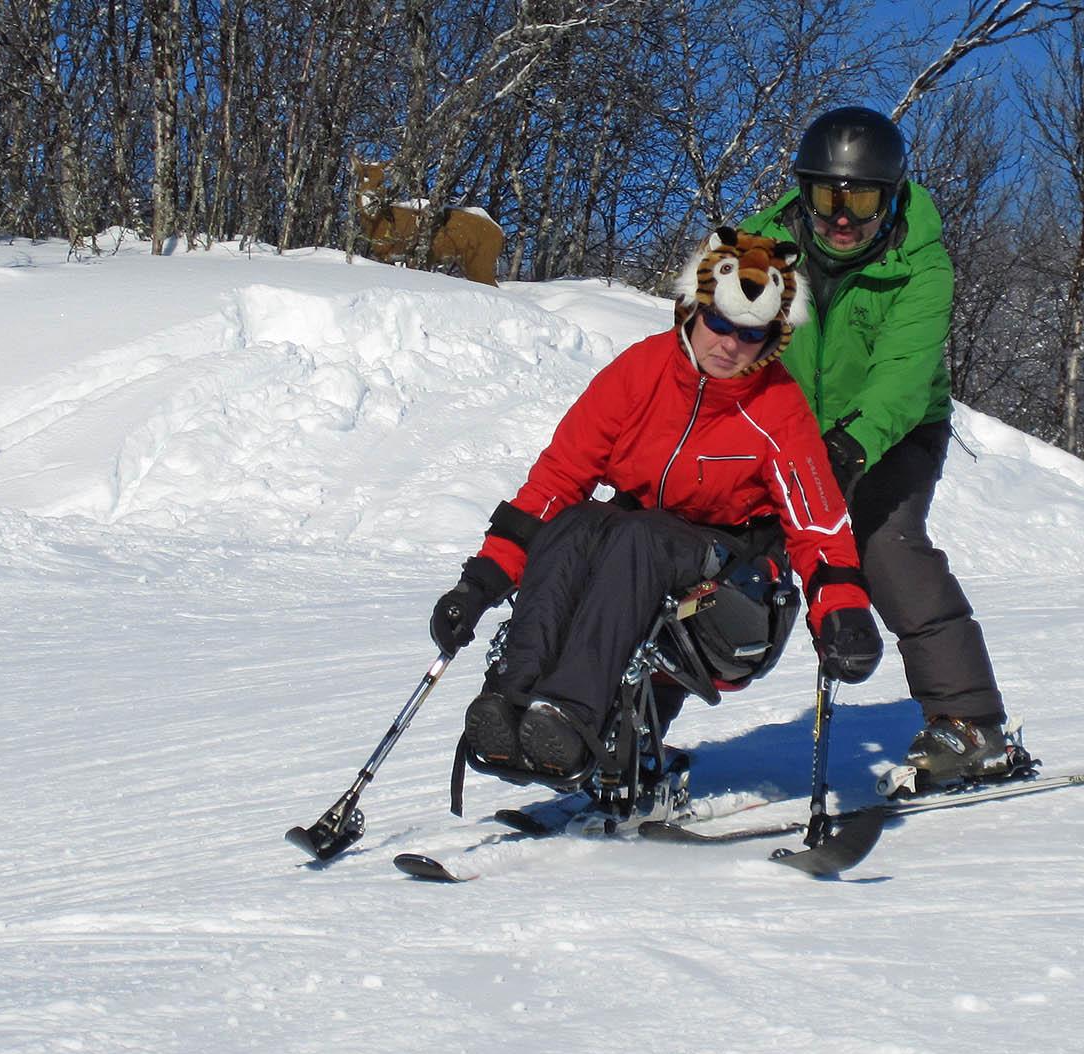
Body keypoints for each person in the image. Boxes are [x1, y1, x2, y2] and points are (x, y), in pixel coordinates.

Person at [427, 227, 883, 780]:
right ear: (691, 308)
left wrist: (843, 610)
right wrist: (479, 584)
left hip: (737, 590)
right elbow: (557, 480)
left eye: (750, 334)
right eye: (718, 321)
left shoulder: (778, 409)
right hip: (642, 552)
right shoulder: (640, 372)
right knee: (575, 522)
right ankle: (511, 701)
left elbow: (818, 522)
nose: (728, 344)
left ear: (773, 340)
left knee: (636, 537)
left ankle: (573, 716)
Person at [742, 106, 1025, 788]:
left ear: (891, 197)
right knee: (720, 552)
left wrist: (849, 449)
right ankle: (628, 725)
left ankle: (970, 725)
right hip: (789, 430)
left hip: (894, 432)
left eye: (862, 201)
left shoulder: (921, 265)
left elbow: (902, 378)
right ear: (803, 193)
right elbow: (715, 347)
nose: (842, 219)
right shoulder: (756, 250)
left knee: (882, 542)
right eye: (826, 199)